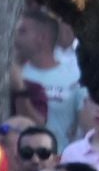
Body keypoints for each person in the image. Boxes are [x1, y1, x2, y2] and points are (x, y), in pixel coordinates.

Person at [14, 10, 84, 142]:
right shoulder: (15, 75)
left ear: (41, 38)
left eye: (22, 32)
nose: (16, 38)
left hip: (63, 157)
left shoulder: (75, 76)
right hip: (25, 156)